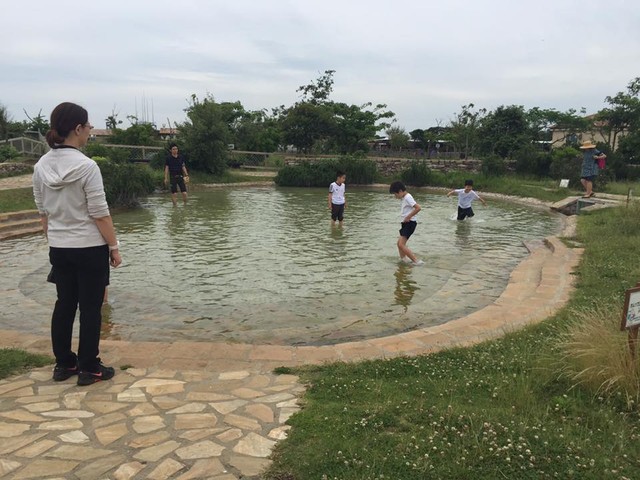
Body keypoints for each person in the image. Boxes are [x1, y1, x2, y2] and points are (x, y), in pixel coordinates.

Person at [33, 102, 121, 386]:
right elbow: (100, 214)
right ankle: (90, 367)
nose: (90, 129)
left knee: (64, 304)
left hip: (59, 248)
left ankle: (64, 364)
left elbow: (43, 213)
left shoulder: (41, 166)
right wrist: (114, 247)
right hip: (89, 247)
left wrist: (55, 240)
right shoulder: (87, 166)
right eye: (88, 125)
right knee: (91, 308)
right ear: (78, 128)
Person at [389, 181, 424, 266]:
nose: (395, 196)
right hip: (406, 224)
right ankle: (404, 259)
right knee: (399, 244)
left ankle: (416, 261)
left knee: (401, 244)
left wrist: (408, 217)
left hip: (410, 223)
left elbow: (418, 208)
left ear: (400, 191)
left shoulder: (408, 197)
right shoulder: (405, 197)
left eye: (395, 194)